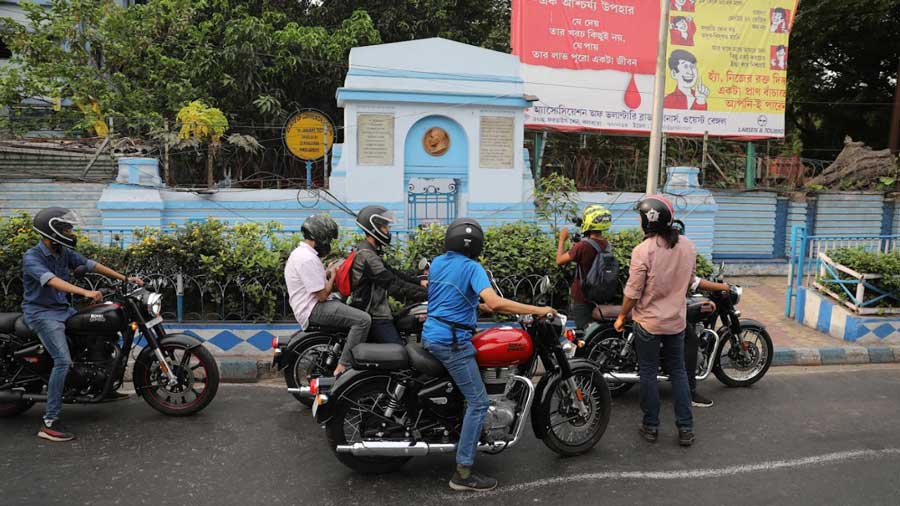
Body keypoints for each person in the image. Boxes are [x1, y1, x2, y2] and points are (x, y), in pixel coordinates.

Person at [424, 218, 555, 492]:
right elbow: (496, 302)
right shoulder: (472, 267)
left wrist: (477, 306)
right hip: (452, 342)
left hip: (433, 334)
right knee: (479, 402)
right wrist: (538, 310)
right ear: (475, 245)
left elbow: (451, 294)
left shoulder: (438, 262)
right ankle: (462, 472)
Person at [23, 207, 144, 442]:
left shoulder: (63, 253)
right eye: (66, 228)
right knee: (62, 361)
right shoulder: (32, 257)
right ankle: (49, 422)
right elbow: (53, 282)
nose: (70, 232)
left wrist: (125, 278)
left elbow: (91, 265)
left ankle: (104, 387)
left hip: (63, 311)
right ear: (52, 231)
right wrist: (85, 292)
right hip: (42, 314)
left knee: (99, 332)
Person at [614, 195, 696, 447]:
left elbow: (632, 292)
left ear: (646, 222)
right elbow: (690, 282)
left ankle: (650, 426)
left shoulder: (643, 251)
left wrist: (621, 316)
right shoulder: (688, 246)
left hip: (648, 323)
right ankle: (686, 429)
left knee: (648, 373)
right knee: (679, 372)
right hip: (676, 322)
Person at [285, 214, 371, 377]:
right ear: (320, 236)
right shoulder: (307, 258)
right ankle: (344, 366)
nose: (329, 244)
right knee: (363, 320)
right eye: (329, 239)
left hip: (311, 305)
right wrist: (332, 276)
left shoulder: (302, 254)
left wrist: (328, 272)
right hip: (314, 308)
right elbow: (322, 295)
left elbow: (313, 281)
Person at [349, 205, 427, 344]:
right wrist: (430, 294)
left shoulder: (369, 251)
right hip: (374, 315)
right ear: (374, 228)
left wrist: (419, 282)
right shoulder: (367, 256)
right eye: (385, 227)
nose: (388, 231)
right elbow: (394, 285)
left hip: (379, 312)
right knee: (399, 355)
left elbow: (392, 273)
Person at [555, 204, 613, 329]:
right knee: (595, 331)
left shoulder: (582, 246)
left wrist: (561, 240)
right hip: (600, 295)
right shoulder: (607, 245)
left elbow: (559, 260)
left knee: (583, 331)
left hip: (582, 297)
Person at [685, 275, 730, 408]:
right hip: (667, 309)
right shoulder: (678, 256)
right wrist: (722, 287)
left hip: (658, 306)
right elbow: (693, 280)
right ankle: (689, 393)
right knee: (692, 342)